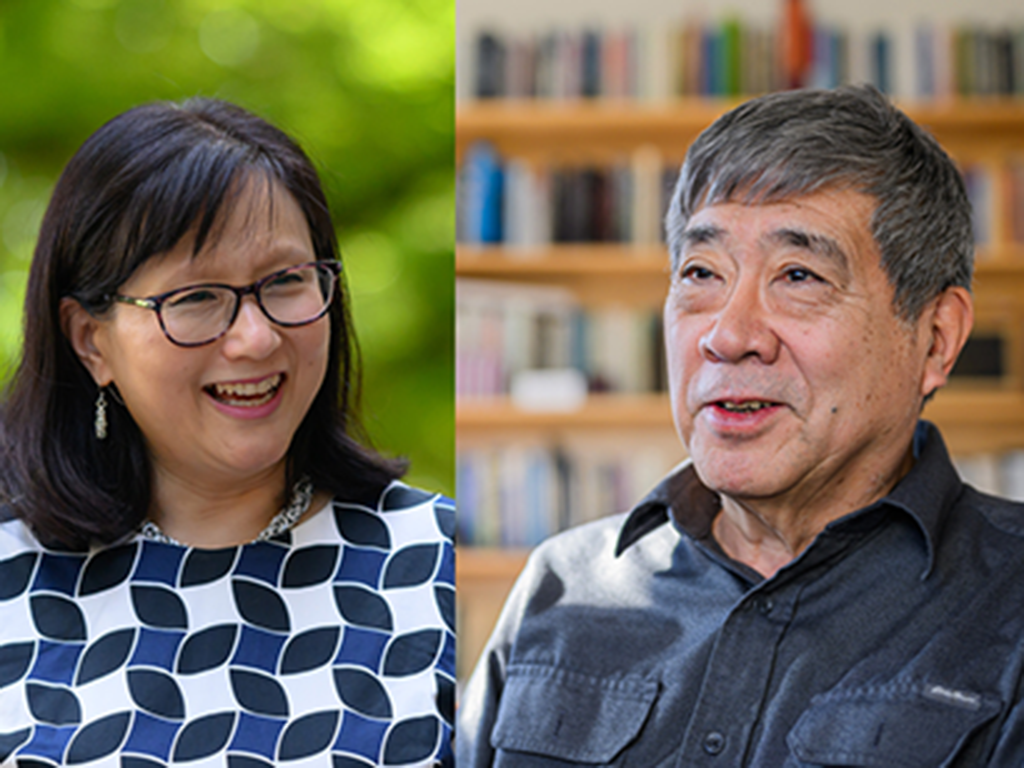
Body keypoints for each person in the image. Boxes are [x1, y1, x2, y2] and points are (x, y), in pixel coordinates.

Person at [458, 84, 1024, 767]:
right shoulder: (561, 584)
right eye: (701, 271)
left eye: (799, 276)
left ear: (935, 339)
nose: (728, 335)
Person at [0, 99, 454, 767]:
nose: (256, 337)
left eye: (286, 281)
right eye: (196, 297)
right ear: (90, 341)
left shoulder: (441, 567)